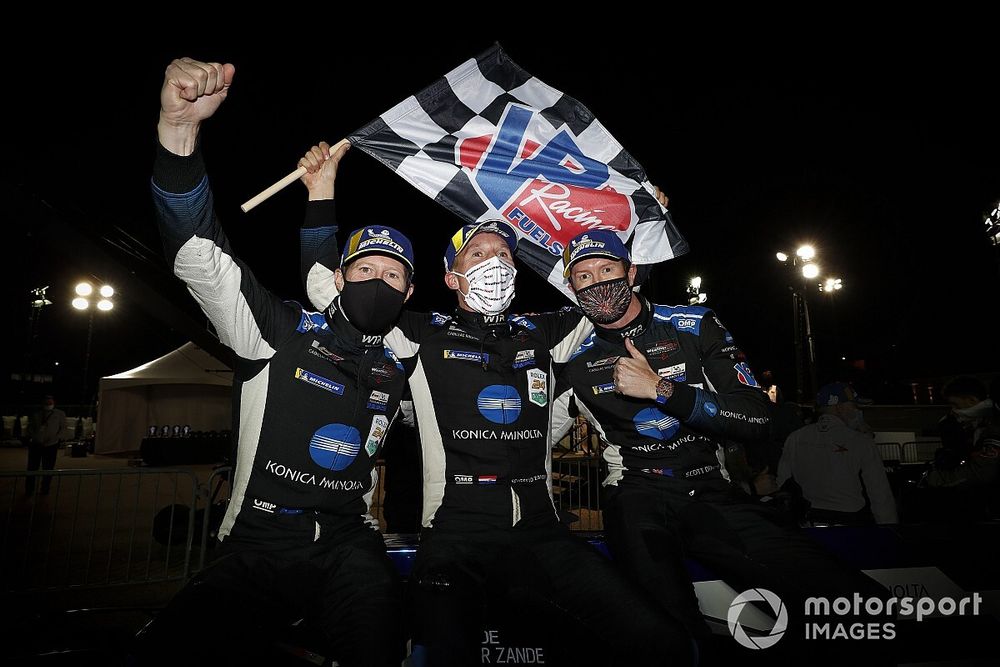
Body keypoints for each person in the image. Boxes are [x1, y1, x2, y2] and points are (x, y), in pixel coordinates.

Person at [301, 207, 694, 663]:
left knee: (662, 644)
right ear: (452, 278)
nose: (495, 261)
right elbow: (330, 293)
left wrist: (641, 217)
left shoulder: (543, 332)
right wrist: (320, 201)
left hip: (541, 534)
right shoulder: (419, 333)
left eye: (504, 253)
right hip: (452, 538)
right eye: (478, 254)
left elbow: (609, 295)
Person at [134, 57, 411, 667]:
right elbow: (198, 253)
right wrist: (179, 132)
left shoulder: (401, 358)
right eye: (365, 270)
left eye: (395, 276)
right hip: (257, 546)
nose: (379, 283)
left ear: (410, 294)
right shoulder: (276, 331)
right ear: (339, 278)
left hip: (349, 547)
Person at [552, 229, 892, 663]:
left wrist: (661, 389)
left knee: (861, 604)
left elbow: (756, 418)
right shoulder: (569, 357)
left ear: (631, 272)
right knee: (670, 636)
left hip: (710, 491)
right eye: (584, 276)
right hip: (636, 496)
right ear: (571, 287)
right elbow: (537, 438)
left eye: (607, 269)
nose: (598, 283)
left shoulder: (693, 325)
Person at [778, 382, 898, 525]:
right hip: (849, 523)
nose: (856, 410)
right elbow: (880, 493)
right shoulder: (860, 441)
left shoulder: (795, 438)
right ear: (839, 407)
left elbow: (782, 482)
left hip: (807, 522)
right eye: (853, 405)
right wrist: (889, 529)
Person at [25, 395, 67, 496]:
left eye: (50, 402)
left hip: (51, 445)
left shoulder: (60, 414)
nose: (48, 404)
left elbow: (63, 428)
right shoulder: (36, 413)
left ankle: (45, 489)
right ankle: (29, 489)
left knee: (48, 468)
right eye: (46, 402)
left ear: (54, 402)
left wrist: (56, 438)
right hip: (36, 444)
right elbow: (30, 427)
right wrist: (34, 437)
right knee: (32, 467)